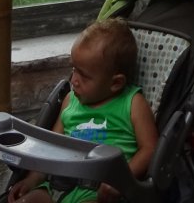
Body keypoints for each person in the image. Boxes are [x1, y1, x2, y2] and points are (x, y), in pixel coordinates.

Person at [8, 18, 159, 203]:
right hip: (56, 185)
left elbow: (150, 148)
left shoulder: (132, 103)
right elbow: (51, 148)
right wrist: (33, 179)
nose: (74, 80)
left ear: (115, 83)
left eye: (84, 76)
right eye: (74, 69)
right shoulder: (70, 100)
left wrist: (123, 180)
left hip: (98, 193)